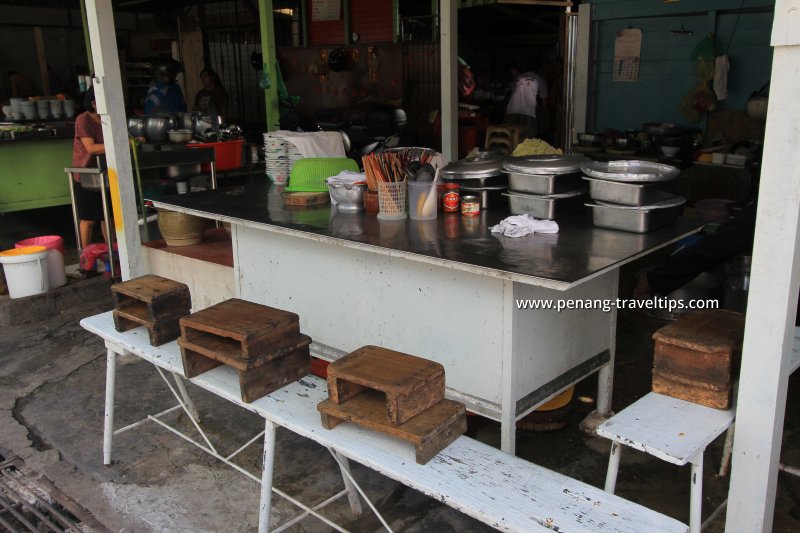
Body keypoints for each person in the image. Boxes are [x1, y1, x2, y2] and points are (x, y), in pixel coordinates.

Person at [72, 88, 108, 250]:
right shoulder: (83, 120)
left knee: (108, 217)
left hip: (106, 173)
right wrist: (121, 144)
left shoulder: (107, 119)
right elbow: (91, 148)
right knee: (88, 218)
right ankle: (85, 257)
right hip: (87, 174)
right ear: (93, 103)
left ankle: (114, 253)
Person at [504, 60, 542, 140]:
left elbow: (510, 94)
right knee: (528, 140)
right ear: (539, 69)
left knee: (510, 139)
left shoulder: (517, 79)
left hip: (511, 111)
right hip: (528, 113)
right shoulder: (540, 80)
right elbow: (543, 102)